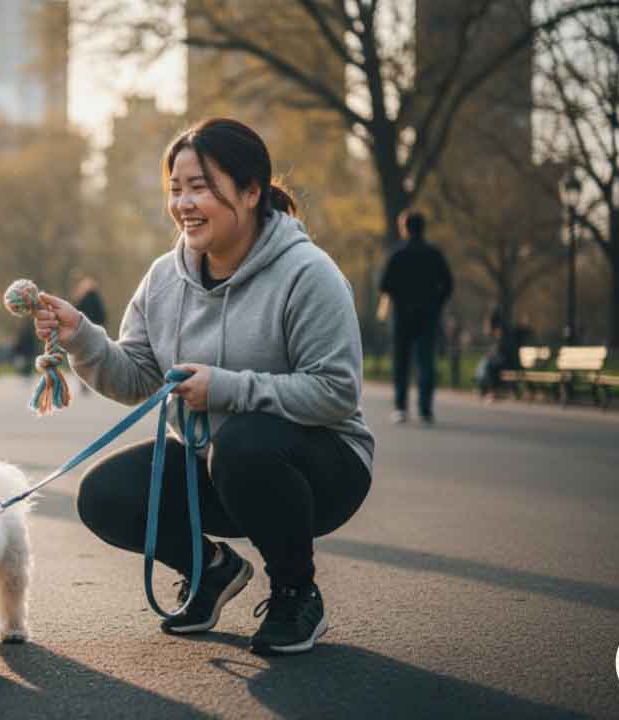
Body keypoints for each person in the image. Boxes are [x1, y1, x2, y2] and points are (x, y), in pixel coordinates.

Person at [32, 118, 373, 655]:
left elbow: (336, 392)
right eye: (176, 188)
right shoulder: (164, 280)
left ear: (251, 191)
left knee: (242, 442)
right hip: (217, 464)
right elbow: (139, 377)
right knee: (103, 494)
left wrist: (228, 389)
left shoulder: (309, 274)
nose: (184, 203)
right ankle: (210, 569)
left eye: (200, 187)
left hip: (321, 468)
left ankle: (295, 592)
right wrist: (83, 338)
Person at [378, 210, 452, 424]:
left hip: (402, 315)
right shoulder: (434, 254)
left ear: (405, 228)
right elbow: (448, 284)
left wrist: (398, 295)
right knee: (425, 360)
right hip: (428, 316)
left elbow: (384, 285)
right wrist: (436, 304)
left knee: (401, 361)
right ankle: (425, 409)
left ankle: (401, 407)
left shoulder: (397, 254)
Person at [72, 275, 107, 394]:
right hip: (95, 332)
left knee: (81, 357)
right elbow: (103, 316)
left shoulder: (81, 300)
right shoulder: (98, 299)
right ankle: (92, 382)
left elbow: (74, 314)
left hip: (82, 332)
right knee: (93, 359)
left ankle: (83, 383)